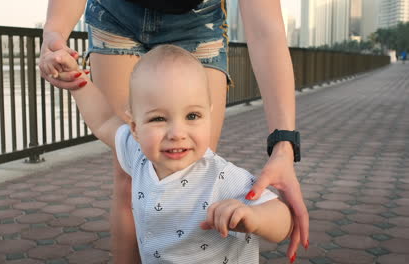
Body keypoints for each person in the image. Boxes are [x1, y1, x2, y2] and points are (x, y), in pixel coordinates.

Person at [39, 0, 309, 262]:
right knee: (126, 184)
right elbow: (105, 121)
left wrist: (255, 218)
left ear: (210, 114)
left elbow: (282, 220)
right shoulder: (138, 157)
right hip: (116, 11)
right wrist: (76, 79)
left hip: (198, 17)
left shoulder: (221, 177)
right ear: (134, 127)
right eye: (158, 119)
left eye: (192, 115)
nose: (176, 133)